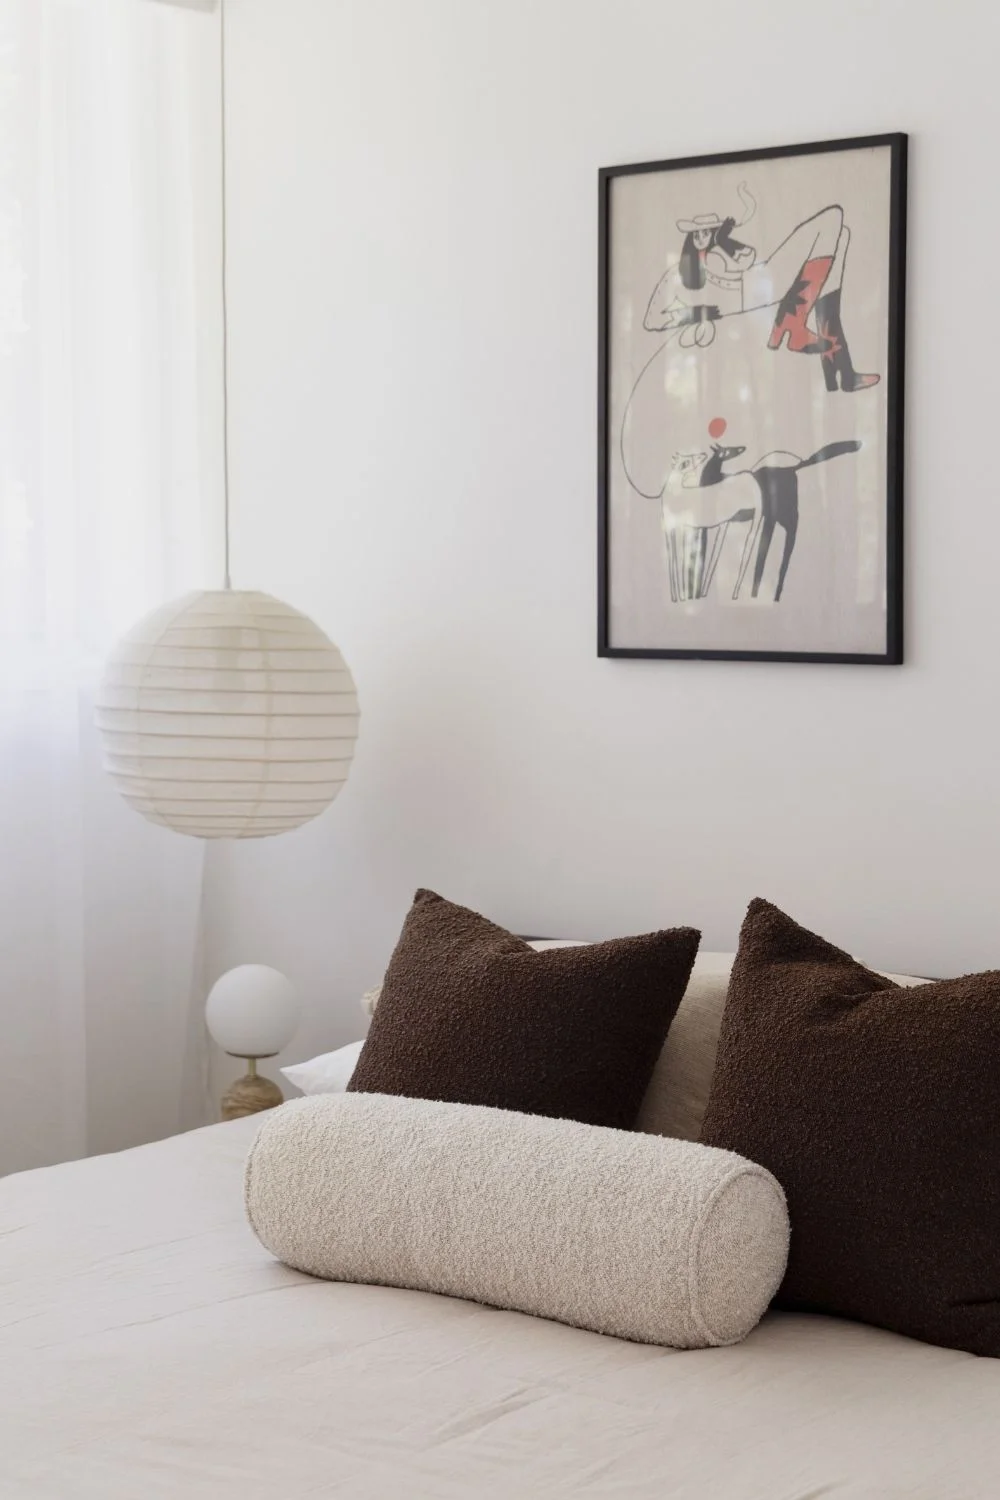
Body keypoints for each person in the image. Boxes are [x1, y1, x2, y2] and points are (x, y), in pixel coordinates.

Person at [643, 196, 878, 392]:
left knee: (842, 235)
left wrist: (723, 241)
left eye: (708, 232)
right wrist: (696, 312)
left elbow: (750, 259)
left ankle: (841, 372)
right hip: (755, 291)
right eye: (697, 234)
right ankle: (794, 326)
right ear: (689, 239)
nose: (702, 238)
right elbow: (652, 320)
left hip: (759, 278)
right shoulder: (677, 274)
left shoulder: (720, 250)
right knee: (832, 219)